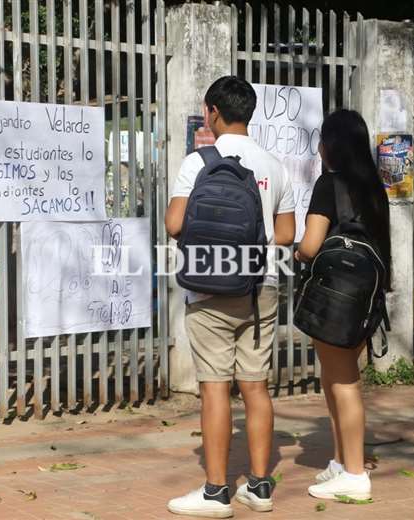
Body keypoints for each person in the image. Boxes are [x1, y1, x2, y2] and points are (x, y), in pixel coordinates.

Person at [165, 76, 296, 518]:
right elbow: (286, 234)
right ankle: (259, 487)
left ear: (212, 113)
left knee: (215, 388)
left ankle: (217, 492)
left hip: (208, 287)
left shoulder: (197, 162)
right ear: (251, 113)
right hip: (262, 287)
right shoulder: (275, 166)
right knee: (256, 387)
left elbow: (174, 224)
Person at [294, 109, 391, 502]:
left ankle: (354, 474)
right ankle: (340, 462)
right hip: (365, 297)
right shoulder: (373, 187)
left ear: (330, 146)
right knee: (337, 378)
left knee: (344, 382)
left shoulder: (328, 185)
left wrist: (300, 253)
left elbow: (311, 245)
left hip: (335, 297)